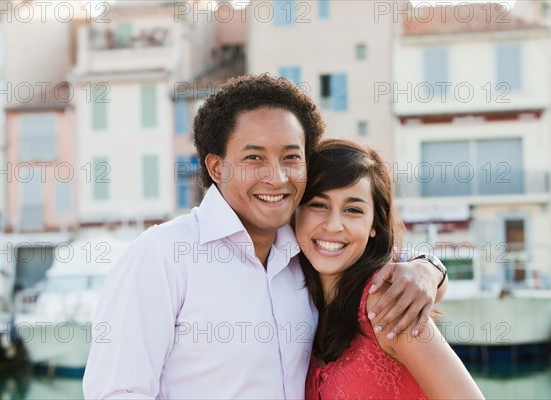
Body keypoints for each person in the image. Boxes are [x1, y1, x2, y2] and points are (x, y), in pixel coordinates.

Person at [83, 74, 448, 399]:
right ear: (216, 166)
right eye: (254, 158)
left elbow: (374, 254)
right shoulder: (162, 256)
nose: (277, 177)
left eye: (291, 157)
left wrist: (428, 269)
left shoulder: (307, 250)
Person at [295, 139, 483, 399]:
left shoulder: (388, 305)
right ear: (296, 211)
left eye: (353, 210)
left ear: (374, 224)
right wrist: (430, 267)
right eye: (318, 204)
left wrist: (430, 269)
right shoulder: (298, 299)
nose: (333, 225)